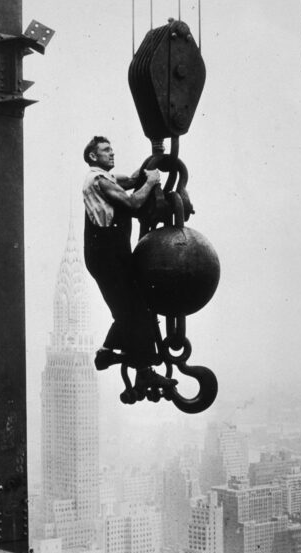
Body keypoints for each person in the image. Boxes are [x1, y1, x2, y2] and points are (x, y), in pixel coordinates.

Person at [82, 135, 177, 390]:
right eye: (105, 150)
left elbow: (133, 180)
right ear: (93, 156)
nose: (112, 153)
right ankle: (139, 368)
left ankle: (110, 354)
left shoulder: (110, 179)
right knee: (130, 309)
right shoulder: (98, 180)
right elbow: (134, 204)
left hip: (114, 252)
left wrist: (150, 167)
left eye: (112, 149)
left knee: (134, 306)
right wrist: (153, 182)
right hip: (106, 254)